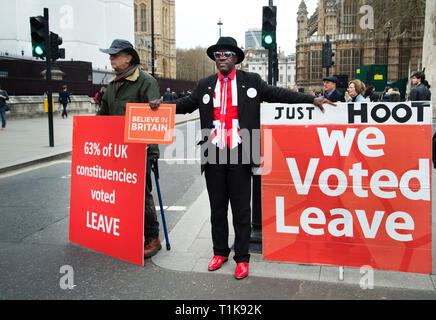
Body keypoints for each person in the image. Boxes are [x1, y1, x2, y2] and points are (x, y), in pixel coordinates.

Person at [151, 37, 335, 280]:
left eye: (227, 54)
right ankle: (219, 252)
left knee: (241, 210)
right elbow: (186, 105)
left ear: (236, 58)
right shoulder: (205, 84)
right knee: (217, 208)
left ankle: (242, 257)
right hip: (213, 152)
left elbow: (278, 93)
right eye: (218, 55)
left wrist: (311, 99)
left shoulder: (251, 81)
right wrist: (162, 105)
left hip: (241, 151)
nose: (222, 58)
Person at [97, 39, 163, 258]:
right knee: (119, 193)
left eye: (115, 55)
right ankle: (127, 232)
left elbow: (154, 118)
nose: (111, 59)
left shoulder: (146, 81)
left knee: (142, 194)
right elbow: (103, 117)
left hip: (139, 151)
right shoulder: (112, 84)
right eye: (111, 55)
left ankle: (152, 238)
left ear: (129, 58)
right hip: (115, 150)